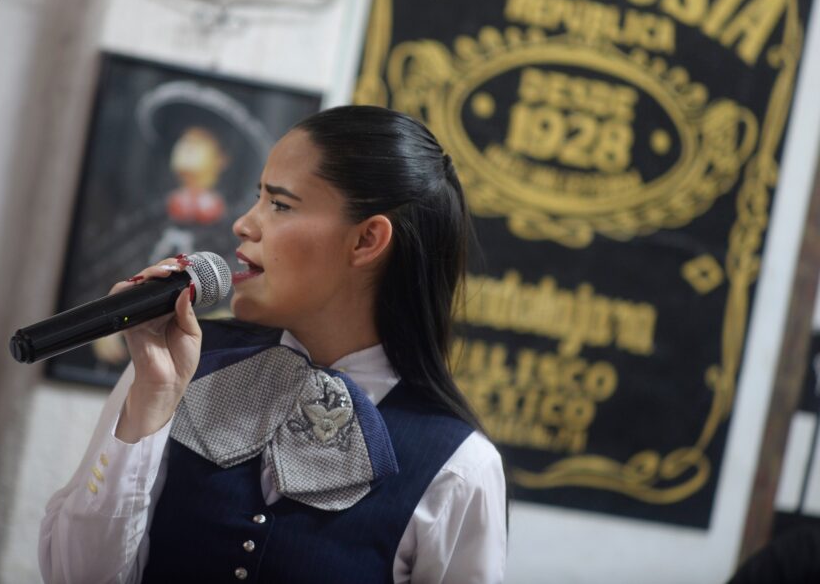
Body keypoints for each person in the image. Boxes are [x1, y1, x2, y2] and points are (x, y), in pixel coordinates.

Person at [38, 105, 507, 583]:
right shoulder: (175, 359)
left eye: (280, 204)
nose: (244, 224)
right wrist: (149, 404)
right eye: (257, 197)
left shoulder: (460, 470)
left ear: (367, 240)